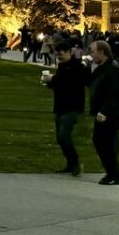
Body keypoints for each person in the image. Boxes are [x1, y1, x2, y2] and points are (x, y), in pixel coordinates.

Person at [41, 39, 88, 175]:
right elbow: (60, 84)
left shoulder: (77, 66)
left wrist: (53, 79)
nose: (59, 57)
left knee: (63, 135)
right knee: (59, 137)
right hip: (60, 105)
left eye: (61, 54)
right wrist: (49, 83)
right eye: (57, 55)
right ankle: (71, 163)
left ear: (69, 52)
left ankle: (75, 162)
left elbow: (70, 82)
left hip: (72, 106)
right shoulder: (62, 66)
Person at [89, 40, 119, 185]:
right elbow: (90, 82)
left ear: (102, 52)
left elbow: (114, 93)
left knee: (102, 141)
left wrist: (104, 111)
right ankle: (114, 173)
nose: (91, 54)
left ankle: (112, 173)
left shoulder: (113, 69)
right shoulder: (101, 68)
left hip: (110, 113)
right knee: (102, 142)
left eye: (93, 51)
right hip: (102, 111)